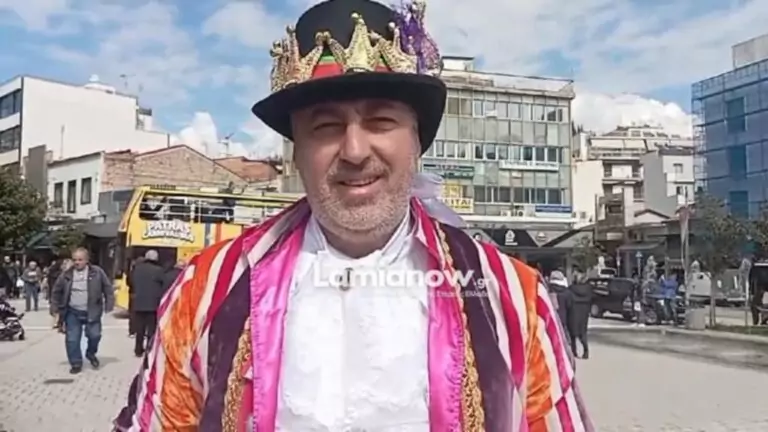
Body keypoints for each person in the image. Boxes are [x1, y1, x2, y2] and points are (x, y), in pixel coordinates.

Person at [114, 0, 591, 430]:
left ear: (417, 141)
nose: (355, 151)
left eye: (381, 121)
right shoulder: (206, 289)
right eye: (326, 127)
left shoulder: (512, 297)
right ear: (297, 152)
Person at [51, 248, 114, 374]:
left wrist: (109, 303)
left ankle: (91, 353)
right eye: (74, 260)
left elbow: (107, 288)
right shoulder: (66, 275)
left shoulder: (97, 272)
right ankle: (76, 363)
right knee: (72, 339)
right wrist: (55, 308)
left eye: (80, 260)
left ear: (86, 260)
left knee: (95, 335)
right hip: (73, 311)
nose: (77, 262)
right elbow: (56, 292)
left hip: (92, 311)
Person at [128, 250, 165, 357]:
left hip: (138, 302)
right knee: (151, 328)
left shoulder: (137, 269)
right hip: (153, 303)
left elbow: (130, 282)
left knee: (140, 328)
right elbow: (163, 284)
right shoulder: (159, 270)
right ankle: (150, 348)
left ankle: (138, 349)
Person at [566, 275, 593, 359]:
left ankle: (574, 352)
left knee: (572, 334)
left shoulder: (571, 289)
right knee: (583, 333)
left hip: (573, 312)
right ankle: (586, 351)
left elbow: (568, 301)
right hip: (584, 313)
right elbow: (592, 299)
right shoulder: (589, 289)